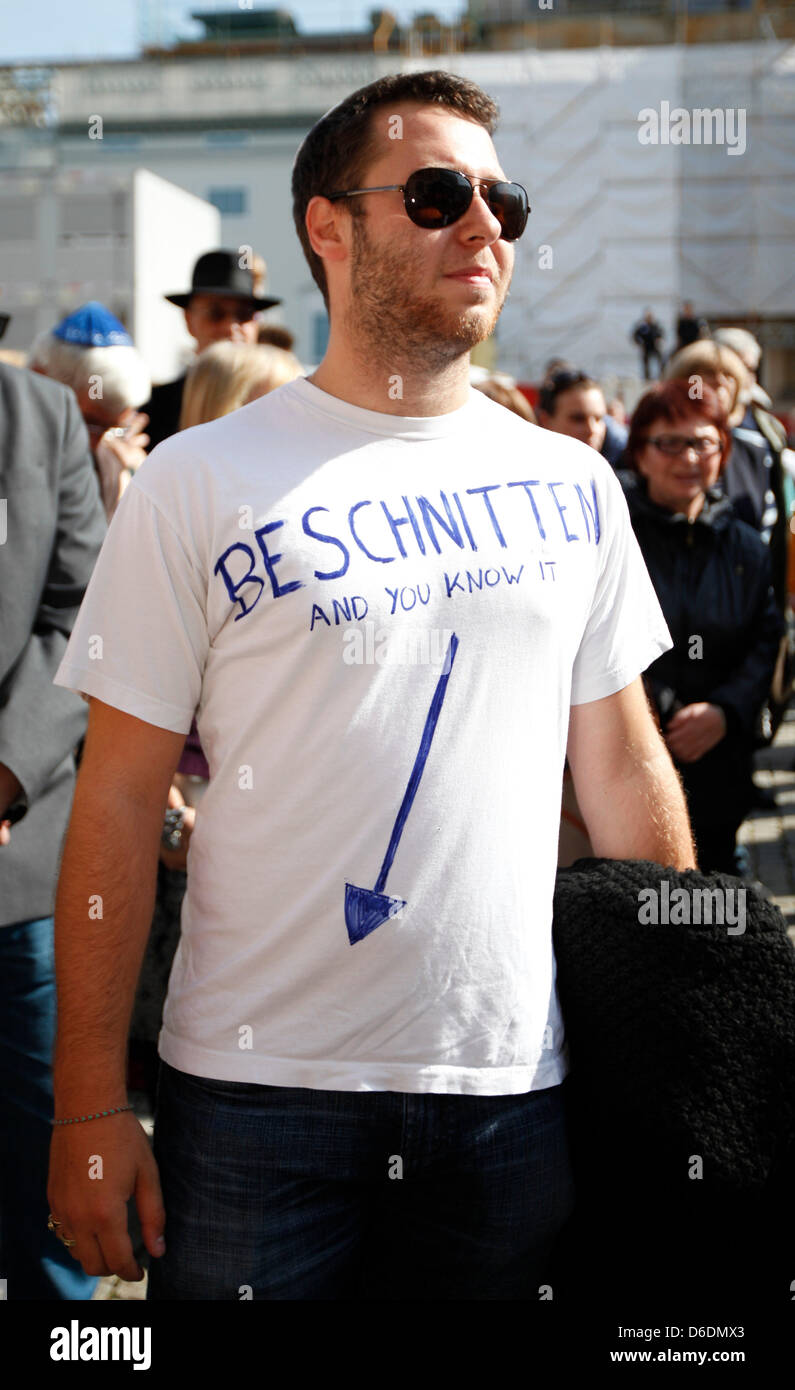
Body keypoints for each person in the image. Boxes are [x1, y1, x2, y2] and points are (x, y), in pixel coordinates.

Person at [48, 68, 694, 1303]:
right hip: (252, 1102)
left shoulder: (573, 486)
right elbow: (120, 799)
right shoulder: (197, 481)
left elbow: (622, 766)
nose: (484, 225)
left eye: (501, 199)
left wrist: (685, 1032)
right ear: (327, 229)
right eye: (440, 193)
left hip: (510, 1098)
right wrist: (87, 1103)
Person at [129, 339, 304, 1109]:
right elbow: (131, 704)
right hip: (190, 801)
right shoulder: (170, 518)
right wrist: (173, 816)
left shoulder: (307, 525)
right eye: (268, 403)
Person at [0, 362, 106, 1299]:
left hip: (22, 874)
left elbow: (79, 614)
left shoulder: (38, 417)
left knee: (46, 1174)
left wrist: (5, 771)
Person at [617, 380, 782, 874]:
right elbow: (598, 639)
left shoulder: (745, 546)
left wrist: (726, 710)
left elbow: (766, 636)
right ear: (640, 454)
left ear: (723, 452)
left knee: (713, 902)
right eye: (669, 443)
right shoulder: (615, 539)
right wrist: (662, 708)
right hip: (630, 752)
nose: (688, 457)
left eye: (702, 442)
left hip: (721, 759)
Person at [142, 250, 282, 452]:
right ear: (189, 320)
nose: (230, 326)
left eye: (244, 314)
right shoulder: (154, 411)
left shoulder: (278, 405)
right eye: (215, 313)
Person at [28, 302, 151, 521]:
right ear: (41, 382)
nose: (98, 445)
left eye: (116, 429)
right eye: (90, 424)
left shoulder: (115, 461)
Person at [536, 366, 627, 466]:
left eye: (599, 419)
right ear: (545, 421)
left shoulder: (617, 477)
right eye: (578, 419)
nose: (592, 430)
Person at [631, 308, 664, 380]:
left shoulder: (655, 326)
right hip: (646, 347)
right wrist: (639, 342)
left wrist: (659, 340)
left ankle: (662, 375)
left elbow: (660, 334)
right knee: (646, 364)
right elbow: (636, 335)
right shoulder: (642, 327)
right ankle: (647, 378)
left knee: (660, 360)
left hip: (654, 347)